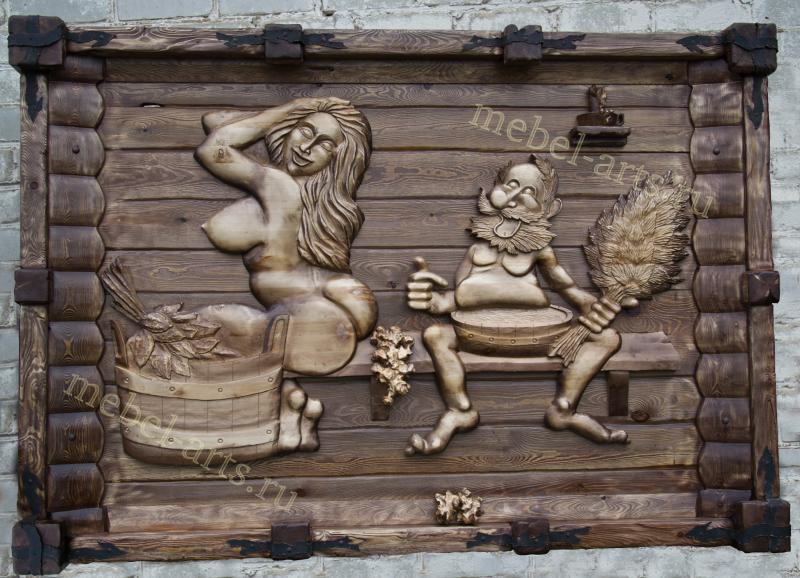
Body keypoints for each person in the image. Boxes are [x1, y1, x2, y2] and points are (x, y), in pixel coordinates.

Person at [405, 155, 637, 455]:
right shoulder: (476, 250)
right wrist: (432, 300)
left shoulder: (540, 251)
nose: (514, 196)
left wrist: (604, 301)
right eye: (510, 185)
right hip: (478, 335)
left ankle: (565, 407)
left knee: (607, 338)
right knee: (435, 335)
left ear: (549, 208)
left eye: (529, 191)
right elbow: (455, 299)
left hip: (538, 337)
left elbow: (567, 288)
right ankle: (459, 409)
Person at [195, 97, 378, 376]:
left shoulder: (278, 186)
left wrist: (293, 109)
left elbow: (214, 148)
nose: (305, 148)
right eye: (305, 131)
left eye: (324, 144)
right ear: (288, 129)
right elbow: (214, 121)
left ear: (337, 158)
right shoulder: (319, 200)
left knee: (201, 327)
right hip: (336, 301)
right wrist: (301, 109)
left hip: (313, 311)